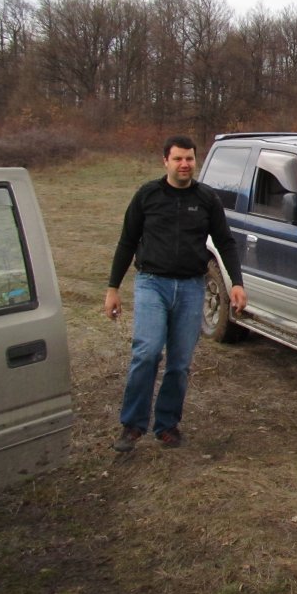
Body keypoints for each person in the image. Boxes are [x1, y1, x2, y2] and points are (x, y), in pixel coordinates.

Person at [106, 135, 246, 452]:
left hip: (191, 287)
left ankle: (167, 425)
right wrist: (112, 288)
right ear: (165, 161)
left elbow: (225, 242)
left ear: (196, 160)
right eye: (178, 159)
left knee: (180, 362)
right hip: (152, 284)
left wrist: (236, 282)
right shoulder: (148, 195)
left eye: (190, 159)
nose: (185, 164)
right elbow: (127, 241)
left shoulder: (207, 199)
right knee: (147, 352)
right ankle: (133, 424)